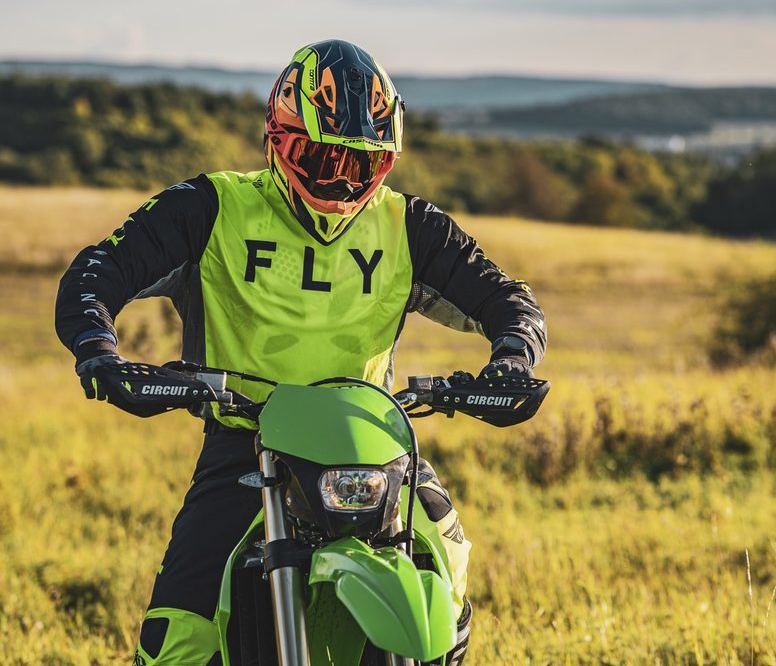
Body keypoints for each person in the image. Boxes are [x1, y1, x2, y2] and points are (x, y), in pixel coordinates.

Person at [54, 39, 546, 666]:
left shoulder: (409, 225)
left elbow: (508, 300)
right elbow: (96, 272)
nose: (342, 180)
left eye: (362, 163)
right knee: (178, 638)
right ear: (279, 139)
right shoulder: (212, 207)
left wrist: (512, 359)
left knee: (446, 579)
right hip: (246, 442)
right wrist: (99, 351)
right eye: (321, 157)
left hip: (373, 446)